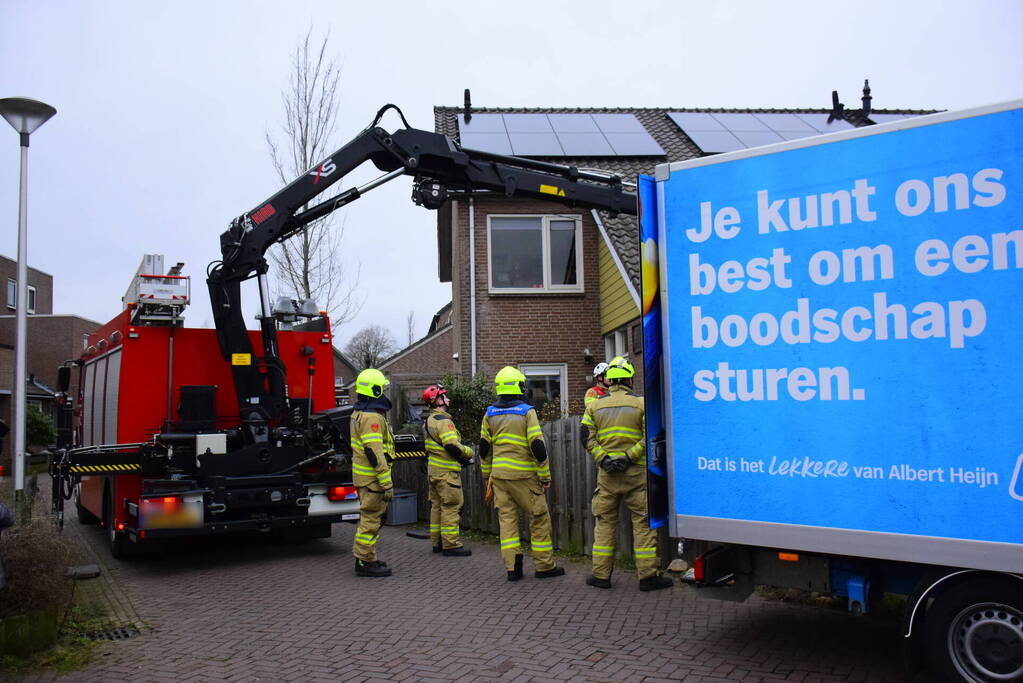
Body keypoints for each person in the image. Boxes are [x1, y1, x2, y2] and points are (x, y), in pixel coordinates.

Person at [581, 356, 672, 592]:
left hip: (608, 477)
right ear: (630, 378)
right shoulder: (642, 404)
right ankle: (648, 577)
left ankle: (600, 576)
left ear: (609, 380)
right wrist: (629, 456)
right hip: (636, 477)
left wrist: (604, 458)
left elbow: (586, 438)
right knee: (643, 525)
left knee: (604, 524)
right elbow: (651, 437)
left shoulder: (594, 405)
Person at [479, 366, 564, 581]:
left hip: (499, 478)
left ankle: (512, 569)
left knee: (507, 523)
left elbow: (483, 448)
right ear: (518, 386)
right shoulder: (527, 411)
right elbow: (538, 446)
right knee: (539, 519)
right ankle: (544, 566)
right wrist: (545, 476)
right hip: (525, 478)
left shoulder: (489, 413)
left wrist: (486, 475)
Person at [350, 368, 396, 577]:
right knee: (371, 520)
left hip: (364, 478)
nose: (384, 391)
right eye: (382, 388)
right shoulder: (371, 418)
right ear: (375, 390)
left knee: (370, 518)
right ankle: (364, 562)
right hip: (373, 479)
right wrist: (386, 482)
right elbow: (374, 452)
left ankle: (368, 557)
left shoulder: (358, 414)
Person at [422, 383, 473, 557]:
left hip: (434, 472)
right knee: (451, 506)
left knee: (436, 507)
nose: (448, 399)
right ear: (438, 400)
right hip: (447, 474)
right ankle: (451, 545)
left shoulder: (428, 421)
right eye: (445, 396)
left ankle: (437, 543)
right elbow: (451, 444)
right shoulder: (444, 421)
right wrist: (467, 453)